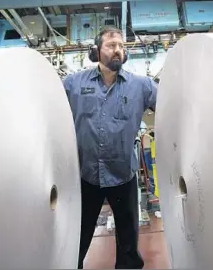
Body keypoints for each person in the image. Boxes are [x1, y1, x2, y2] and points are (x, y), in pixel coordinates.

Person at [63, 27, 157, 269]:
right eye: (111, 45)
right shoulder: (73, 84)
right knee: (78, 236)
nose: (118, 50)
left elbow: (172, 106)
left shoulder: (141, 86)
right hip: (87, 177)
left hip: (124, 176)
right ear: (97, 50)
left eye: (121, 46)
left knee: (128, 239)